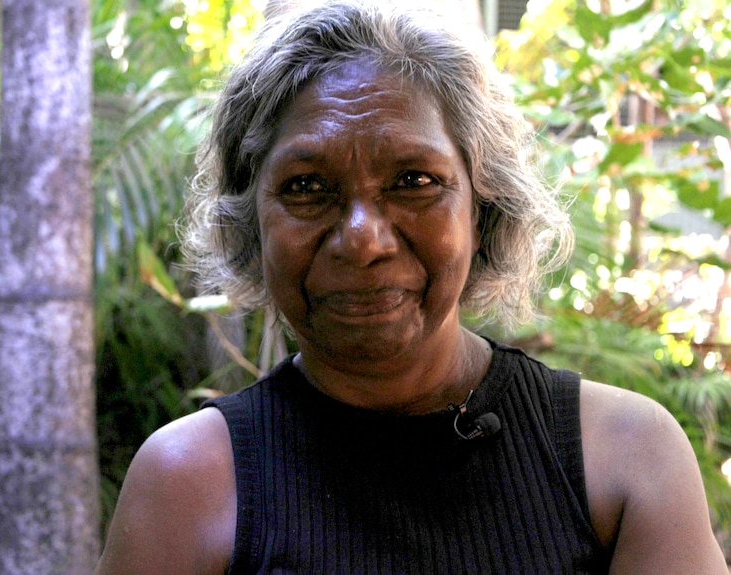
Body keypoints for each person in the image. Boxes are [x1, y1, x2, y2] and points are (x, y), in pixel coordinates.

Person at [96, 1, 728, 573]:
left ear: (483, 209)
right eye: (307, 188)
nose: (363, 240)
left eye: (413, 181)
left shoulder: (623, 457)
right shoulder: (188, 483)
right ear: (250, 225)